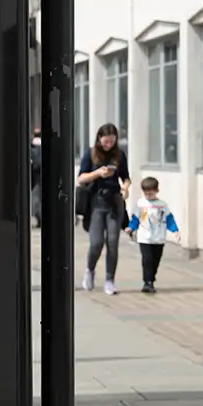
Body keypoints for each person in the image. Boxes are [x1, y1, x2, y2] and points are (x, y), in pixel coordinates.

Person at [77, 123, 131, 295]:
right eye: (106, 141)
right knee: (96, 242)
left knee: (113, 242)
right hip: (96, 203)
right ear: (99, 138)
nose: (109, 145)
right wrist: (98, 173)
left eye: (112, 142)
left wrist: (126, 188)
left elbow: (126, 177)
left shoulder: (119, 155)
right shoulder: (91, 153)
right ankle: (90, 270)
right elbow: (81, 178)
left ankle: (110, 280)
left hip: (114, 202)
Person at [128, 176, 180, 293]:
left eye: (151, 193)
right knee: (147, 259)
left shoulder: (162, 204)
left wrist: (175, 230)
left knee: (156, 260)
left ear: (157, 191)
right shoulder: (141, 204)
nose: (148, 196)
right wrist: (131, 228)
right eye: (146, 193)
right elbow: (136, 218)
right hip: (144, 238)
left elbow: (169, 218)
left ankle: (151, 278)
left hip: (159, 238)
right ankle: (147, 282)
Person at [29, 127, 42, 227]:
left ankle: (39, 218)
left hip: (36, 176)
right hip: (41, 176)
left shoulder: (32, 146)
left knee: (36, 199)